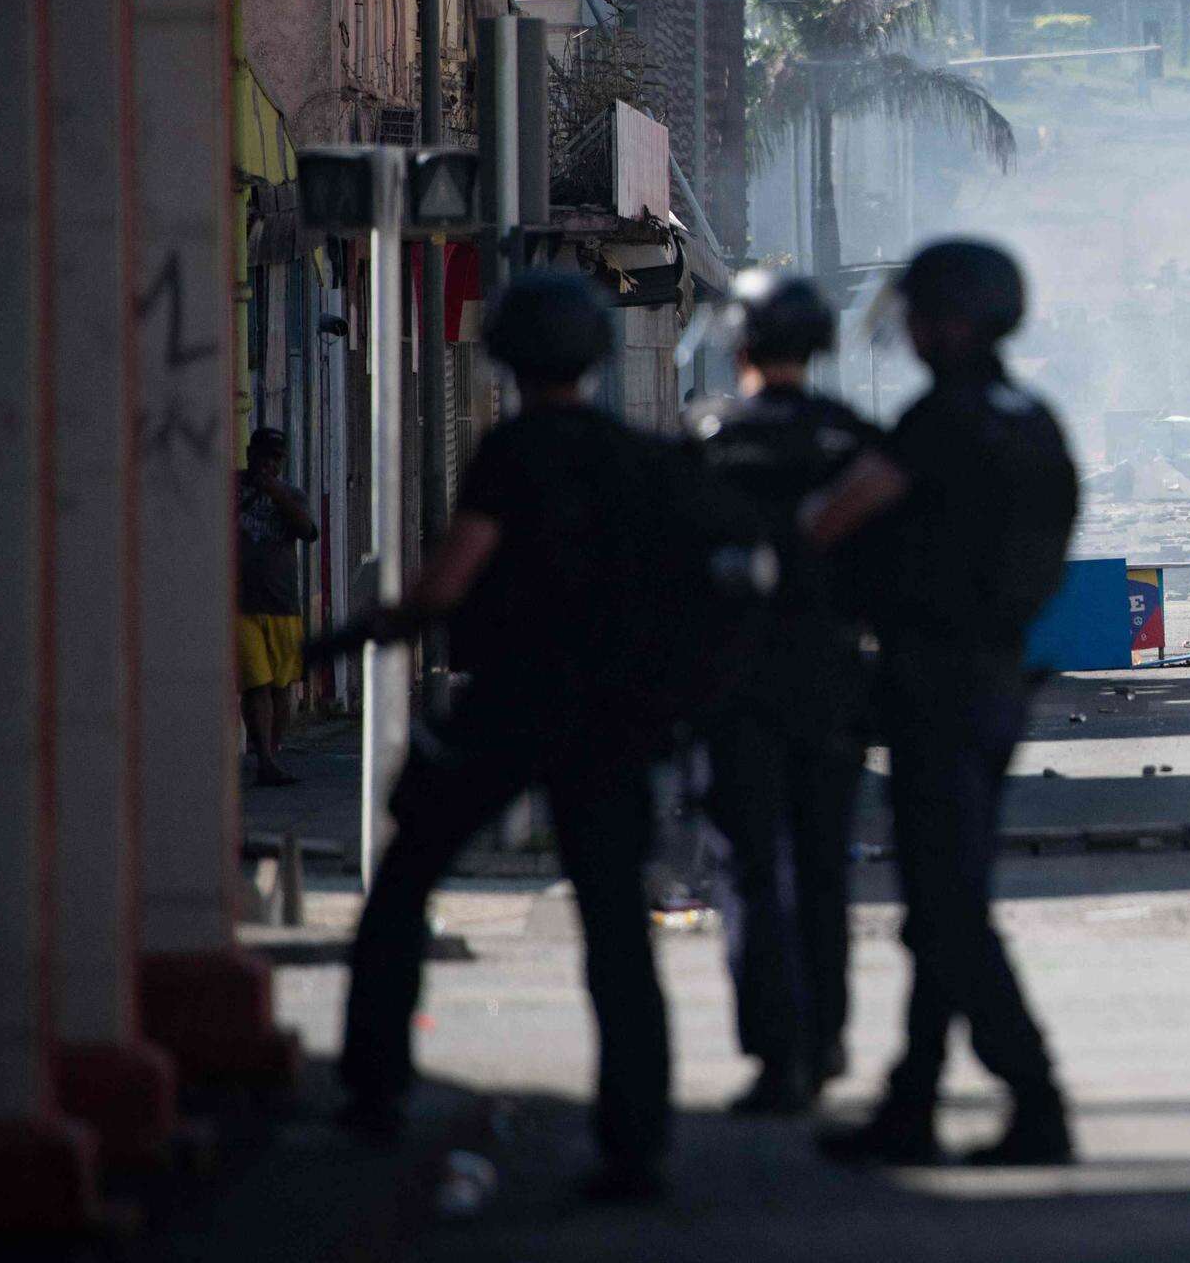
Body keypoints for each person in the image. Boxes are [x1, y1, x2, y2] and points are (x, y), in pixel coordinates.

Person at [336, 271, 675, 1200]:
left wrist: (375, 627)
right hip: (609, 715)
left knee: (404, 885)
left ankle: (372, 1091)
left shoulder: (512, 453)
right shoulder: (636, 456)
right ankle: (635, 1141)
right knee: (616, 923)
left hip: (511, 703)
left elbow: (448, 584)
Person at [803, 240, 1079, 1169]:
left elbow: (835, 517)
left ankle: (1035, 1096)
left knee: (948, 909)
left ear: (953, 321)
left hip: (934, 686)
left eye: (924, 314)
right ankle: (911, 1102)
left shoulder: (940, 420)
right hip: (996, 680)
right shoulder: (1032, 417)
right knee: (941, 898)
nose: (914, 331)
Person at [694, 269, 883, 1116]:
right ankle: (827, 1037)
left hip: (732, 689)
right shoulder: (854, 442)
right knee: (821, 865)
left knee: (749, 872)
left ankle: (776, 1054)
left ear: (738, 345)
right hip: (832, 685)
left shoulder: (706, 439)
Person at [235, 427, 319, 787]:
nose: (267, 465)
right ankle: (265, 760)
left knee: (281, 686)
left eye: (275, 459)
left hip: (283, 604)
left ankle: (272, 750)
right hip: (240, 603)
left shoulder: (291, 495)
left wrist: (275, 493)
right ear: (250, 454)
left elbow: (308, 531)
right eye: (262, 457)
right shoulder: (231, 487)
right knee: (256, 683)